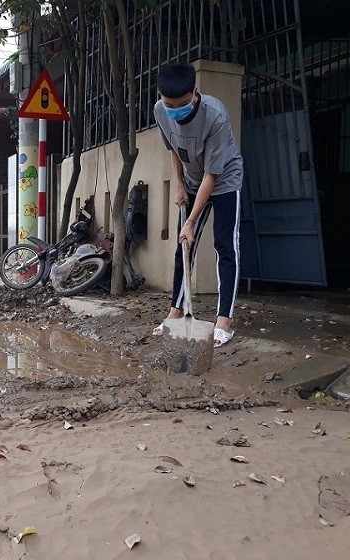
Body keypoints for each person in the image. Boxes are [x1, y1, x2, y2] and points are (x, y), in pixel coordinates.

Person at [151, 63, 243, 348]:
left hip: (224, 181)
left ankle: (224, 320)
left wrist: (191, 221)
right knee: (184, 248)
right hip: (191, 181)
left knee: (225, 247)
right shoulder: (160, 111)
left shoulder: (215, 116)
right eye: (170, 105)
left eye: (182, 104)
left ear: (195, 93)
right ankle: (175, 312)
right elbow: (174, 151)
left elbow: (212, 176)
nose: (175, 111)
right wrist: (179, 185)